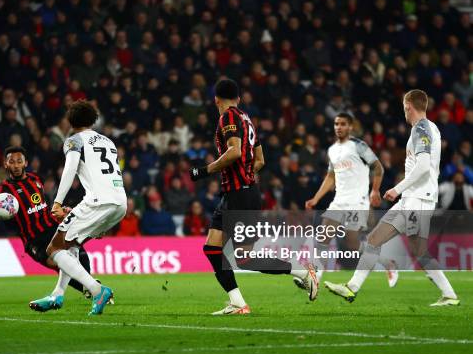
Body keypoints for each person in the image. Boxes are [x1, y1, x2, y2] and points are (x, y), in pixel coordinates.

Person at [189, 78, 317, 315]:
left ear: (216, 99)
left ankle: (301, 271)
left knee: (244, 259)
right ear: (238, 98)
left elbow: (235, 151)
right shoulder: (247, 120)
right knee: (212, 249)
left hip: (240, 195)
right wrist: (247, 176)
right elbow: (260, 160)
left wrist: (204, 171)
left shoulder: (227, 117)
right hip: (238, 193)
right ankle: (238, 303)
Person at [325, 90, 460, 306]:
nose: (403, 111)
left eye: (404, 107)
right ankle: (352, 287)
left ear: (408, 106)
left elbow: (424, 166)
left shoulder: (422, 128)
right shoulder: (430, 127)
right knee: (377, 240)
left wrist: (397, 188)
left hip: (417, 199)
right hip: (412, 198)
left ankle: (449, 294)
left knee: (414, 249)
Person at [32, 100, 127, 316]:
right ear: (93, 119)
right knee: (71, 245)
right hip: (119, 202)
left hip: (98, 201)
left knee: (54, 249)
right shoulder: (108, 141)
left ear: (70, 120)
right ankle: (57, 294)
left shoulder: (73, 140)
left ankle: (96, 289)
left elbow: (70, 169)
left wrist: (57, 202)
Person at [0, 146, 94, 311]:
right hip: (34, 239)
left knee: (80, 253)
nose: (16, 165)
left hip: (54, 228)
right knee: (61, 265)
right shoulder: (3, 191)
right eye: (12, 162)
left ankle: (89, 288)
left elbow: (43, 206)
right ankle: (92, 289)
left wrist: (60, 213)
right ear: (5, 164)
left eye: (19, 161)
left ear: (25, 163)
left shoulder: (35, 179)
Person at [300, 113, 398, 291]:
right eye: (336, 124)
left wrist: (375, 190)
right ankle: (315, 279)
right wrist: (316, 198)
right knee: (323, 237)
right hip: (339, 201)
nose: (338, 127)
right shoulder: (332, 150)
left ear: (350, 127)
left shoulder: (359, 146)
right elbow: (331, 176)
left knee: (351, 244)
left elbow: (378, 167)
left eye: (343, 124)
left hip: (357, 201)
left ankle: (387, 263)